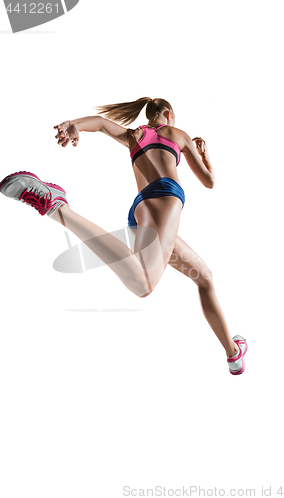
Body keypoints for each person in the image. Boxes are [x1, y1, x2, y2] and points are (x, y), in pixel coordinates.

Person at [0, 97, 247, 375]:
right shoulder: (178, 134)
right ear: (168, 114)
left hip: (141, 211)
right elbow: (209, 181)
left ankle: (233, 353)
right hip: (165, 197)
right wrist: (204, 153)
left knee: (204, 277)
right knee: (143, 285)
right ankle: (58, 208)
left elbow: (103, 125)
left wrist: (74, 125)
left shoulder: (135, 135)